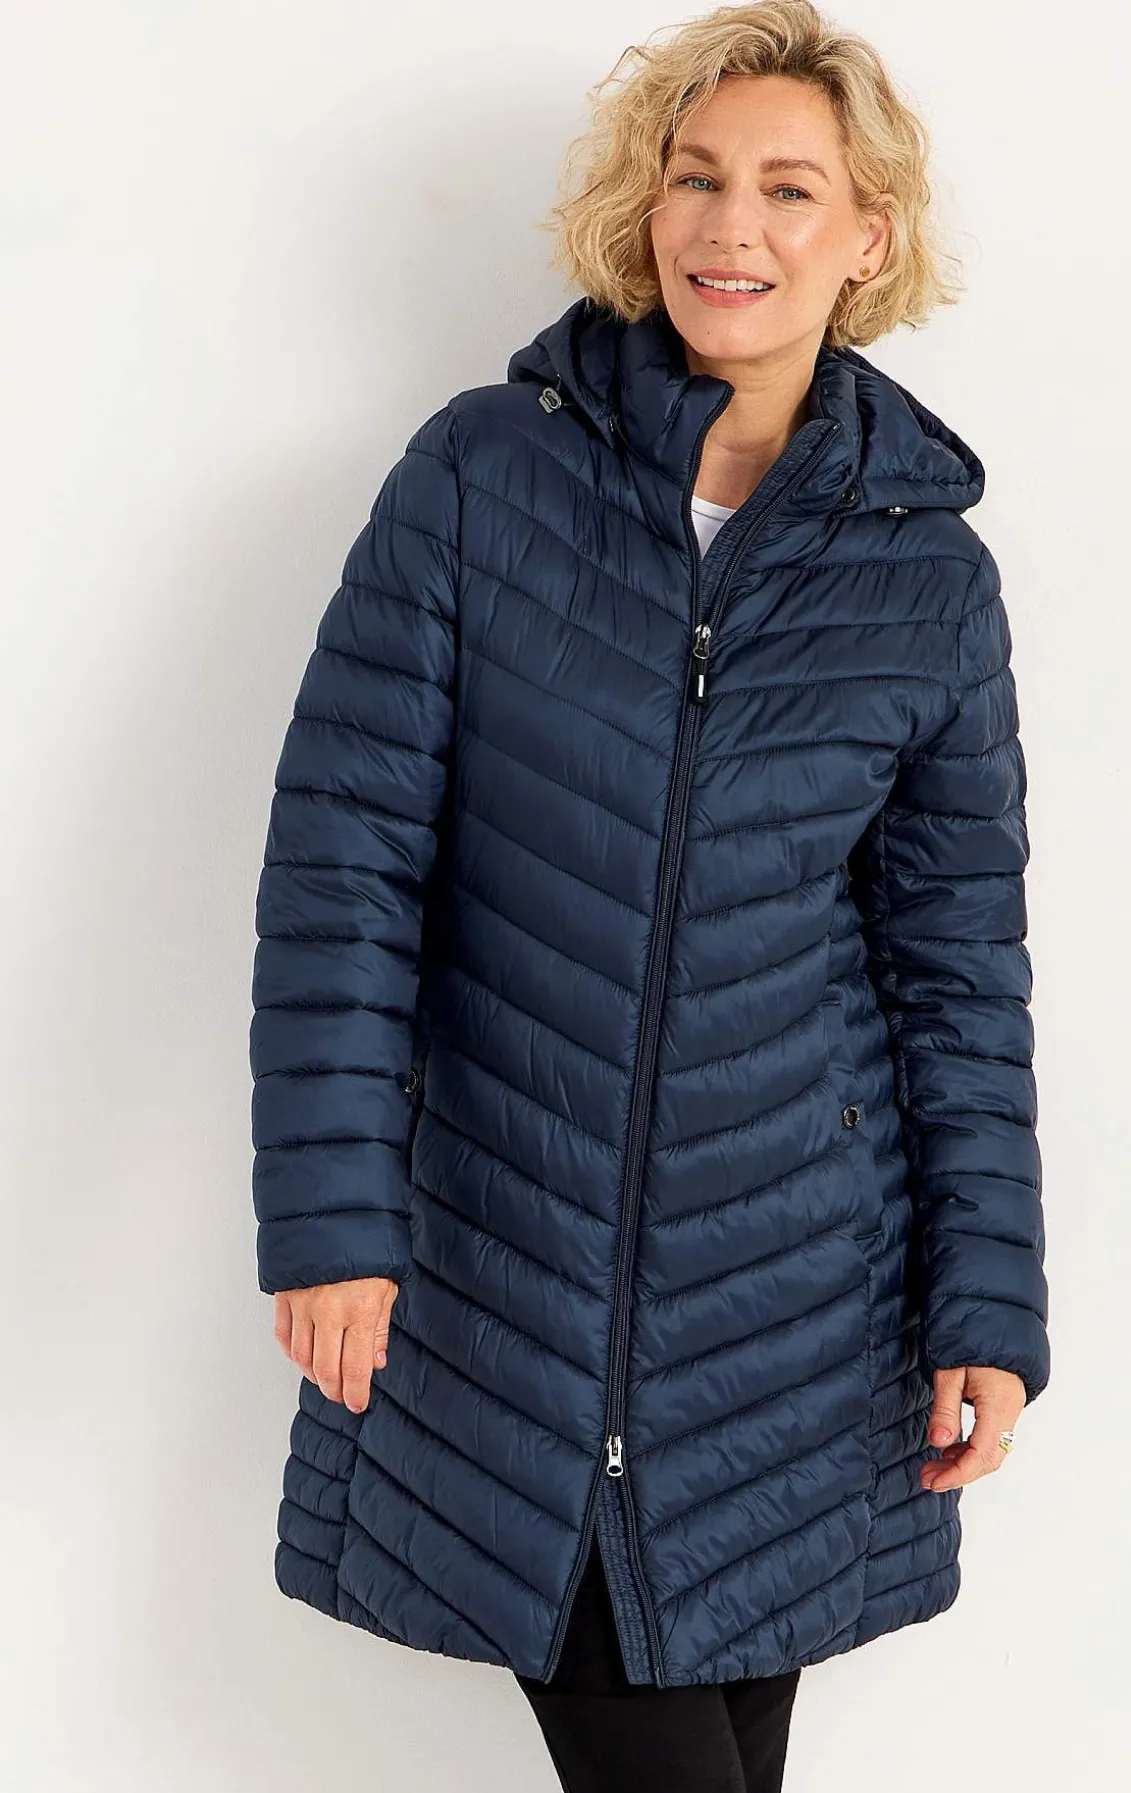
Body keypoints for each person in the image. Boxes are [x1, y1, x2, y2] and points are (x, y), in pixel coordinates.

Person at [247, 4, 1050, 1788]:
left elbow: (957, 978)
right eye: (696, 179)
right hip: (504, 1274)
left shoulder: (928, 581)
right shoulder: (482, 479)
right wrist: (329, 1218)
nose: (729, 227)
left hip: (798, 1319)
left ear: (869, 237)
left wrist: (985, 1302)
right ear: (645, 204)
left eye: (788, 188)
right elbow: (342, 870)